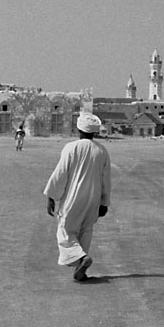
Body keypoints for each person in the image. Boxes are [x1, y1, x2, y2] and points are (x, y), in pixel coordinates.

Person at [43, 113, 111, 282]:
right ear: (94, 132)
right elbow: (106, 179)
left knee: (65, 230)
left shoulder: (71, 148)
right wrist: (104, 203)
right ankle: (81, 269)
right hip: (93, 198)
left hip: (73, 197)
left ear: (79, 129)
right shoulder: (101, 151)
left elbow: (60, 173)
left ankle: (81, 259)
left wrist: (51, 196)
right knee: (86, 230)